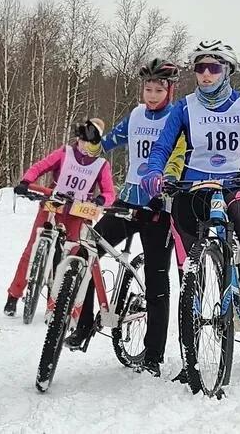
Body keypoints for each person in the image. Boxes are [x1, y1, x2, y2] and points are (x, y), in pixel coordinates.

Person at [141, 40, 240, 327]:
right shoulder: (185, 107)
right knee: (185, 245)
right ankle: (193, 304)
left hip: (233, 183)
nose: (206, 75)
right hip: (193, 187)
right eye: (200, 68)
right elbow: (162, 147)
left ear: (227, 70)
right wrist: (153, 171)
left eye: (213, 68)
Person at [62, 59, 185, 377]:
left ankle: (153, 355)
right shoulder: (136, 115)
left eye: (159, 90)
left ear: (170, 90)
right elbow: (104, 145)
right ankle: (84, 325)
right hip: (129, 200)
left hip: (159, 206)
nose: (152, 95)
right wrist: (90, 139)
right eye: (148, 89)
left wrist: (169, 183)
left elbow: (179, 158)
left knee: (157, 281)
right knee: (87, 251)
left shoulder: (178, 118)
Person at [4, 119, 116, 317]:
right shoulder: (65, 153)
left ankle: (57, 301)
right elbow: (40, 167)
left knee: (73, 253)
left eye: (90, 141)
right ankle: (14, 294)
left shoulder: (101, 165)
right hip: (54, 203)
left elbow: (109, 193)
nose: (84, 145)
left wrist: (101, 199)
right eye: (83, 139)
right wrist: (26, 181)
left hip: (78, 211)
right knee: (32, 248)